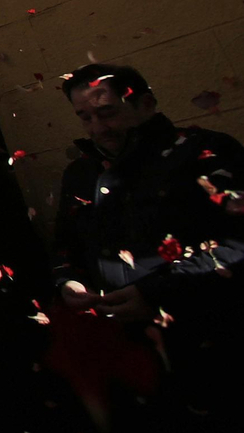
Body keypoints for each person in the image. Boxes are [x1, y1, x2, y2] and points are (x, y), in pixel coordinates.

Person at [47, 63, 244, 430]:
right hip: (124, 353)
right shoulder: (82, 172)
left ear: (146, 104)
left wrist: (156, 292)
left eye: (108, 113)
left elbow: (237, 241)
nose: (98, 128)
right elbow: (65, 244)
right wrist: (68, 282)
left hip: (204, 340)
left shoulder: (207, 151)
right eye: (85, 117)